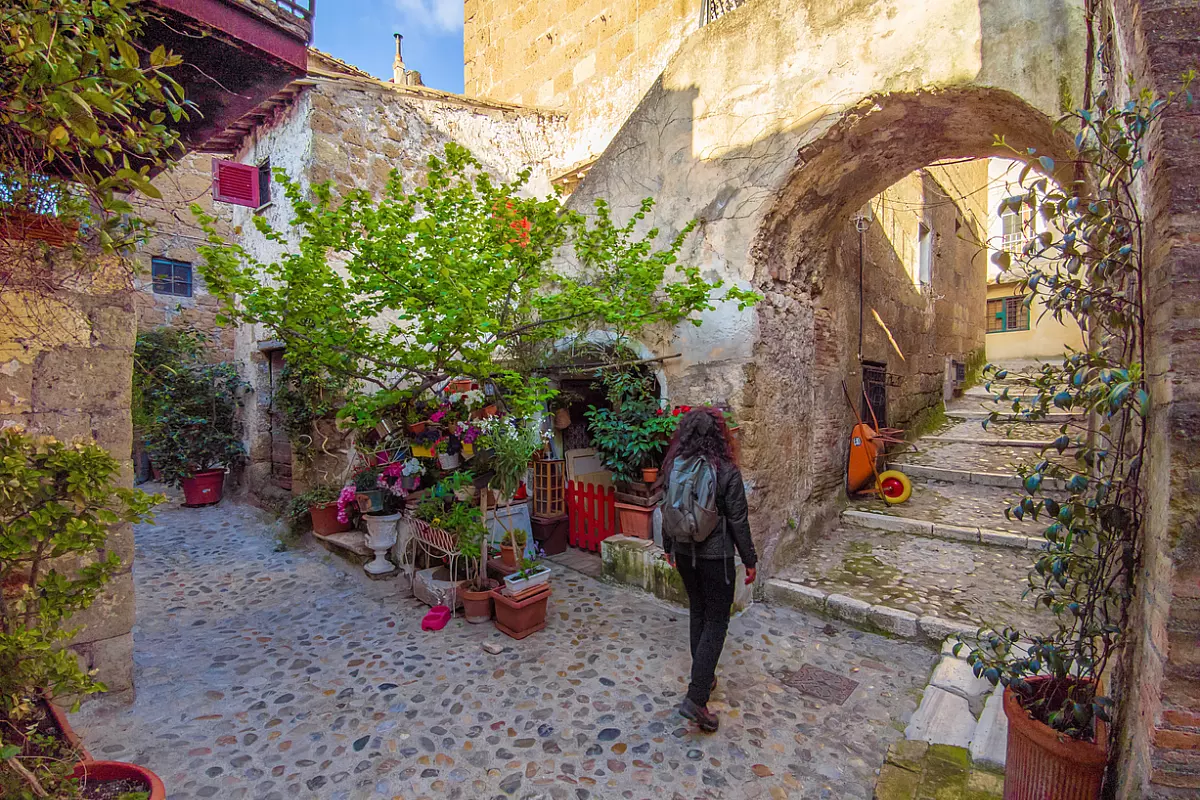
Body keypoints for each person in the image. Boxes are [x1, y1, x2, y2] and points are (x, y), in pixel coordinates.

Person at [658, 408, 757, 733]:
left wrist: (669, 548)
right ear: (719, 435)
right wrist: (750, 560)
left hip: (686, 553)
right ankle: (696, 698)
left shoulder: (674, 466)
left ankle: (704, 675)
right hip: (716, 559)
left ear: (685, 434)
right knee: (716, 621)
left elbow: (665, 507)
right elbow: (739, 520)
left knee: (698, 613)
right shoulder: (726, 470)